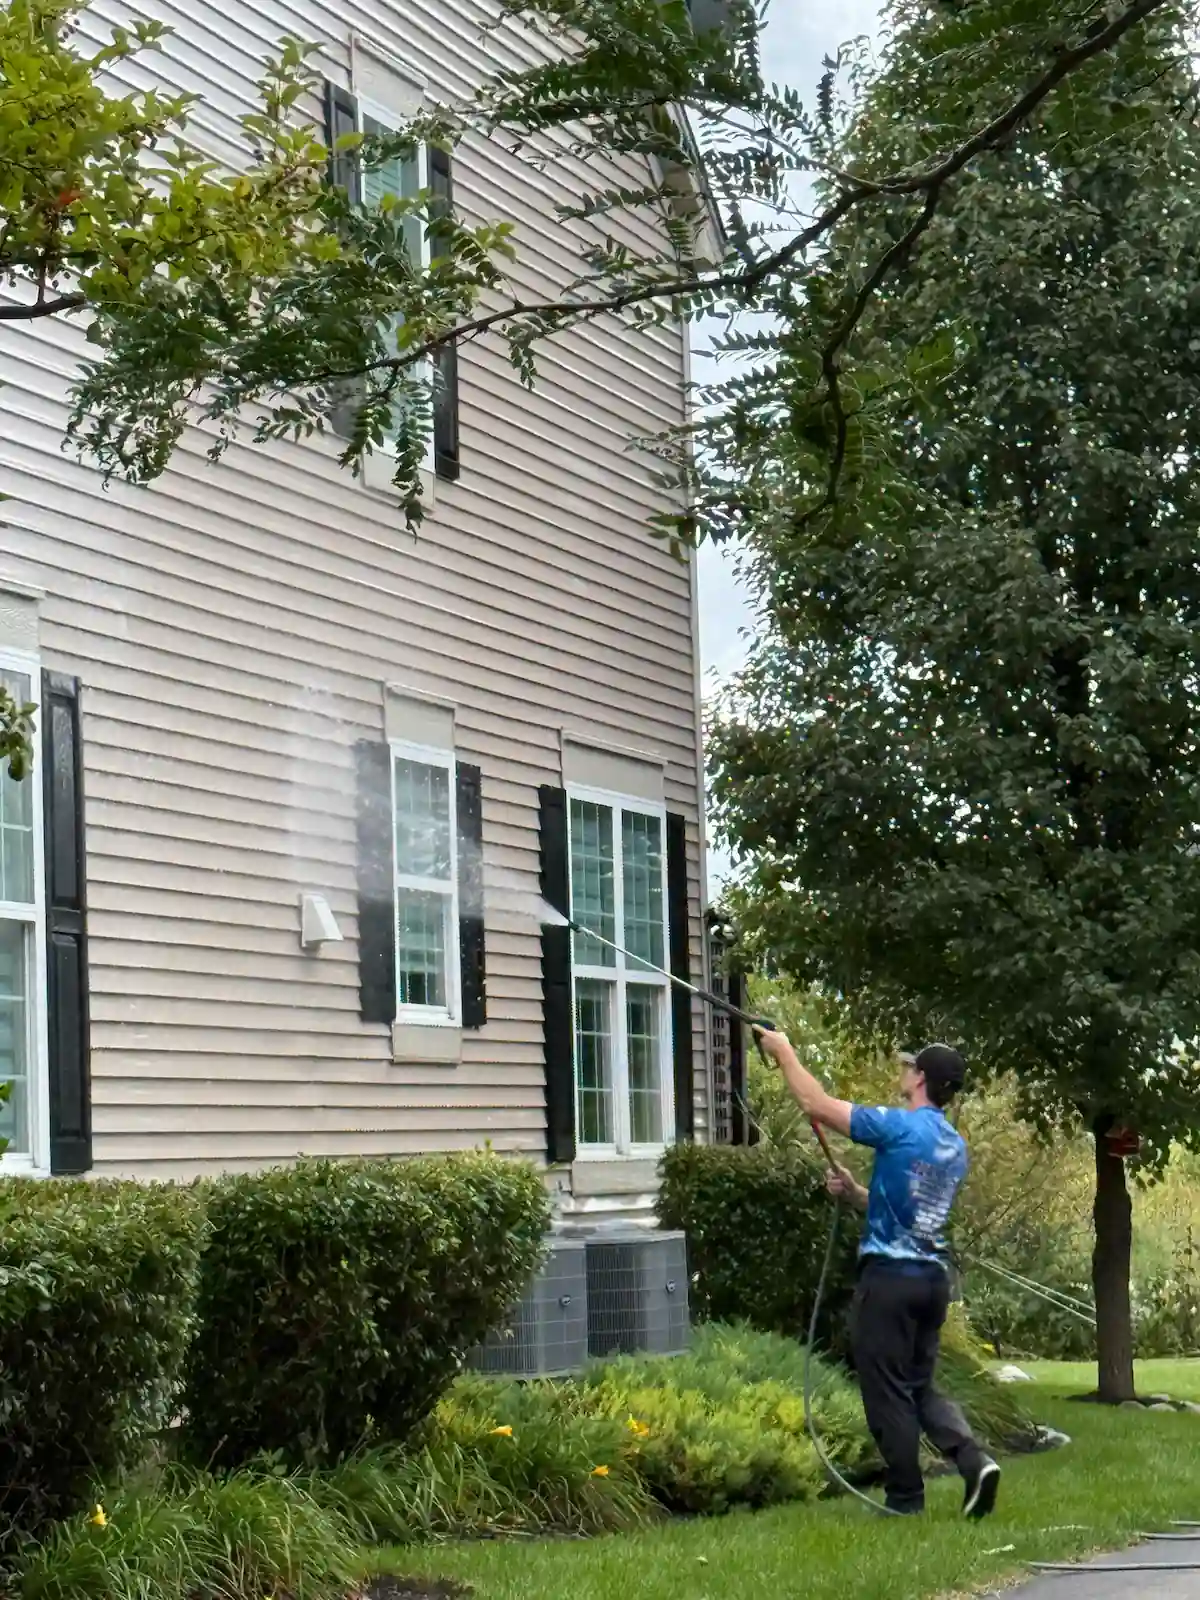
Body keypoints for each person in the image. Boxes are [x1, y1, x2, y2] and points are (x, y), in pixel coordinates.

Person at [755, 1030, 1000, 1520]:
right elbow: (910, 1208)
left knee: (886, 1390)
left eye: (910, 1067)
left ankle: (905, 1499)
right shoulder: (954, 1146)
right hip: (931, 1283)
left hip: (889, 1282)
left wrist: (784, 1052)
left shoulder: (897, 1127)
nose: (903, 1073)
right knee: (919, 1386)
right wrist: (855, 1193)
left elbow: (815, 1103)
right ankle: (974, 1461)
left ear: (921, 1080)